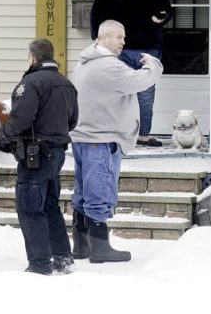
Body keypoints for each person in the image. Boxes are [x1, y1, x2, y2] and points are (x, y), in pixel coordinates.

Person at [69, 20, 163, 263]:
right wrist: (153, 63)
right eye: (119, 37)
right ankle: (100, 248)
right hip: (101, 137)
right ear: (104, 38)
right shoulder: (107, 65)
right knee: (99, 189)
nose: (123, 42)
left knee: (83, 191)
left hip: (83, 135)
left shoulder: (84, 62)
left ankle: (81, 245)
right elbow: (141, 81)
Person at [0, 38, 79, 275]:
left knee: (30, 207)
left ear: (32, 57)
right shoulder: (67, 84)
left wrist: (2, 136)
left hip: (35, 154)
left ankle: (40, 263)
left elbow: (20, 120)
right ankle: (62, 257)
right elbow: (73, 121)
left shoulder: (31, 83)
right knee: (50, 205)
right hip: (57, 152)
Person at [89, 0, 172, 147]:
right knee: (118, 92)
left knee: (146, 94)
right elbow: (97, 10)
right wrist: (97, 38)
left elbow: (166, 9)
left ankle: (143, 135)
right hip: (119, 48)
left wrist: (161, 18)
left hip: (148, 47)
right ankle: (115, 133)